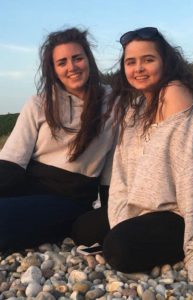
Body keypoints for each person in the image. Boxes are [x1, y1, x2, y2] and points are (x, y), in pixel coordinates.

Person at [72, 27, 193, 286]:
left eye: (148, 60)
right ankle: (134, 233)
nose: (139, 68)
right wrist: (123, 213)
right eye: (131, 62)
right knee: (82, 228)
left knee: (120, 249)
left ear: (165, 62)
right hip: (144, 209)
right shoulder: (135, 109)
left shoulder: (175, 94)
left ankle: (170, 242)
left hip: (180, 213)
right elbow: (124, 175)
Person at [0, 27, 117, 252]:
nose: (71, 67)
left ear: (88, 61)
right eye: (62, 62)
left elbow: (112, 163)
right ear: (53, 69)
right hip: (27, 184)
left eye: (77, 58)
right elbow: (12, 161)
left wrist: (109, 207)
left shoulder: (113, 105)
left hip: (70, 197)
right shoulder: (39, 103)